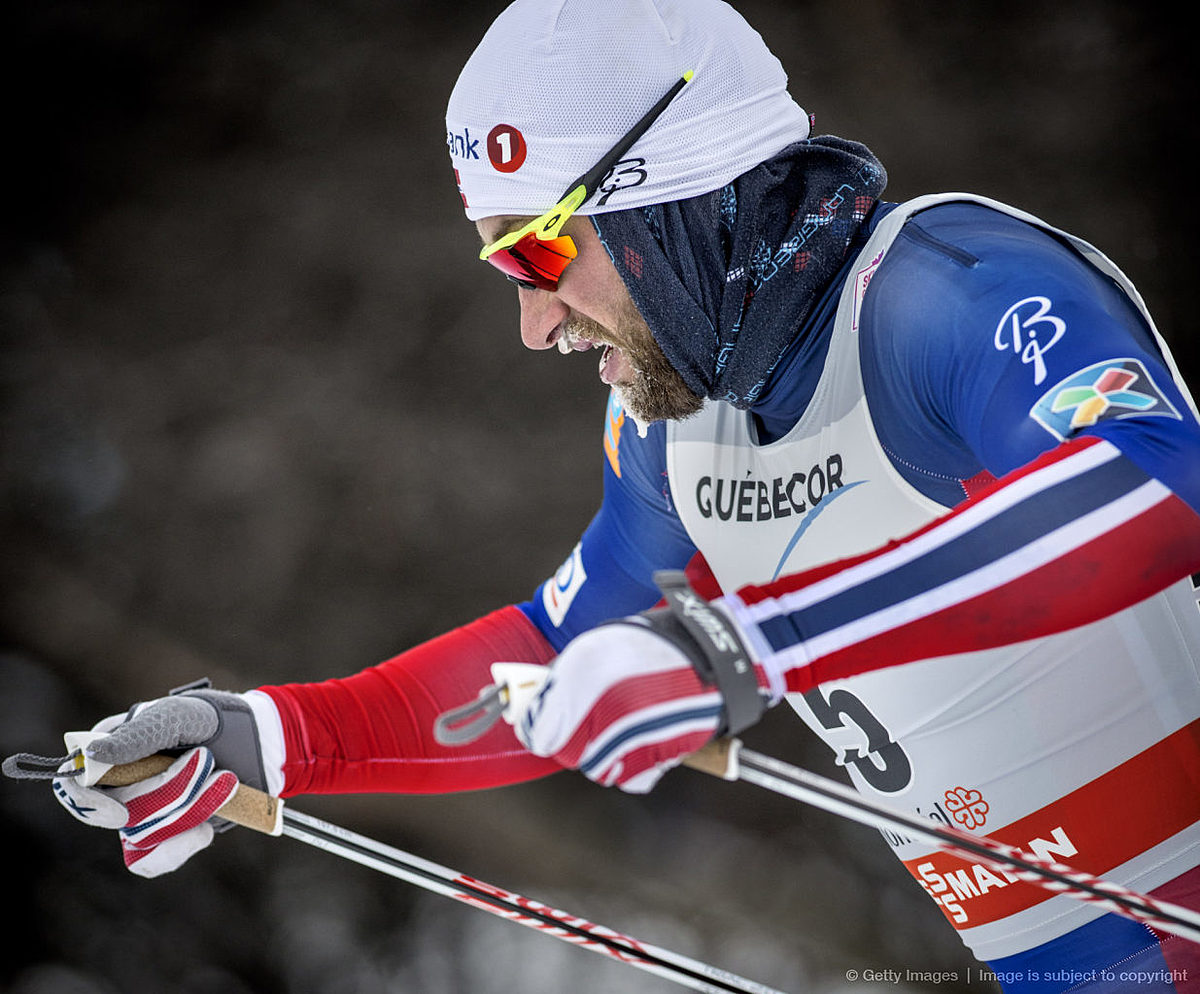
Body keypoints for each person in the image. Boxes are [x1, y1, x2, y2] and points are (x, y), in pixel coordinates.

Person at [46, 1, 1200, 990]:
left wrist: (745, 650)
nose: (533, 322)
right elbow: (565, 648)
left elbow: (1160, 490)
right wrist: (276, 740)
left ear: (671, 199)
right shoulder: (674, 429)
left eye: (537, 255)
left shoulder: (940, 290)